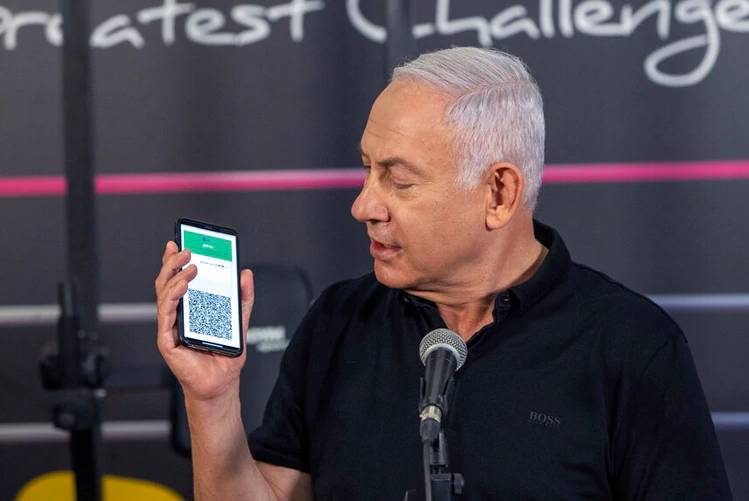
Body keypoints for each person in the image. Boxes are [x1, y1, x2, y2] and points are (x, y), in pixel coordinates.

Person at [155, 47, 732, 500]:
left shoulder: (632, 346)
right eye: (367, 170)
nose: (363, 205)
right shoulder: (336, 322)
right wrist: (212, 400)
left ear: (499, 193)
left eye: (399, 180)